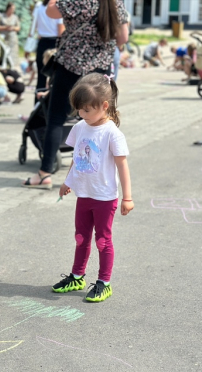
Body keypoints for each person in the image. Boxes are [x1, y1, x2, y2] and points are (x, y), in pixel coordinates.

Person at [22, 0, 129, 188]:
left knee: (55, 119)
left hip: (70, 68)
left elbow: (51, 12)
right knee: (100, 121)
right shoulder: (116, 2)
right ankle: (96, 173)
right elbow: (123, 38)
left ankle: (45, 173)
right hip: (100, 70)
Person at [53, 73, 132, 302]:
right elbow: (77, 158)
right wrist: (68, 182)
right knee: (81, 237)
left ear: (104, 106)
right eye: (79, 109)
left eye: (87, 109)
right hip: (84, 194)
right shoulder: (80, 127)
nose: (81, 114)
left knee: (102, 240)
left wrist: (127, 197)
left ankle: (104, 282)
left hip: (105, 197)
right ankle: (77, 276)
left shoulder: (112, 133)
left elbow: (122, 166)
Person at [31, 0, 63, 92]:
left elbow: (35, 25)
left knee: (41, 76)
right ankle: (49, 102)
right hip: (54, 43)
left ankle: (38, 103)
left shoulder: (39, 6)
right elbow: (60, 30)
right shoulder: (57, 6)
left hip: (42, 42)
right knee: (54, 76)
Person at [0, 2, 19, 69]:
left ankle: (12, 67)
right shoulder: (1, 16)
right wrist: (5, 27)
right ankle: (3, 66)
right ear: (8, 8)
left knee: (12, 53)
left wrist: (13, 28)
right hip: (3, 37)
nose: (13, 10)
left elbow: (18, 27)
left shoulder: (15, 17)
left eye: (13, 9)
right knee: (3, 52)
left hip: (12, 37)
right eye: (11, 9)